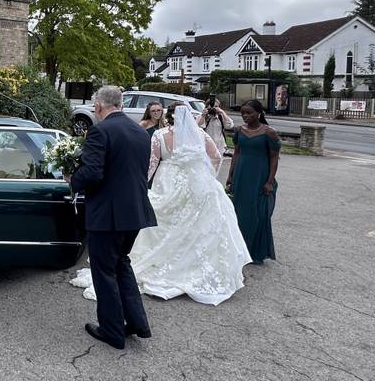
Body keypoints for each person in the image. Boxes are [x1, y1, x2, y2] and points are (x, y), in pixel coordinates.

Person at [72, 103, 252, 305]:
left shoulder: (159, 135)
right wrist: (208, 176)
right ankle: (189, 265)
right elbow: (216, 156)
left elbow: (151, 164)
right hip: (197, 185)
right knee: (193, 226)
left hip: (168, 182)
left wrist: (143, 187)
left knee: (165, 222)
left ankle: (159, 264)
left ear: (168, 117)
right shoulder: (200, 134)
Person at [68, 86, 155, 350]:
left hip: (108, 214)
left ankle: (112, 331)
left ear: (98, 105)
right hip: (135, 211)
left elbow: (93, 173)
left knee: (104, 271)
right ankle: (137, 323)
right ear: (121, 104)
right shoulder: (140, 132)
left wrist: (73, 179)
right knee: (121, 264)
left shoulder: (100, 131)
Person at [227, 99, 281, 264]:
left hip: (259, 177)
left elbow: (274, 158)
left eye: (249, 113)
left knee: (256, 213)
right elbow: (236, 153)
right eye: (243, 113)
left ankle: (254, 251)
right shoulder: (239, 131)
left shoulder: (269, 132)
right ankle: (238, 250)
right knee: (238, 212)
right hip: (241, 175)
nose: (245, 116)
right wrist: (230, 175)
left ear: (259, 113)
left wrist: (269, 181)